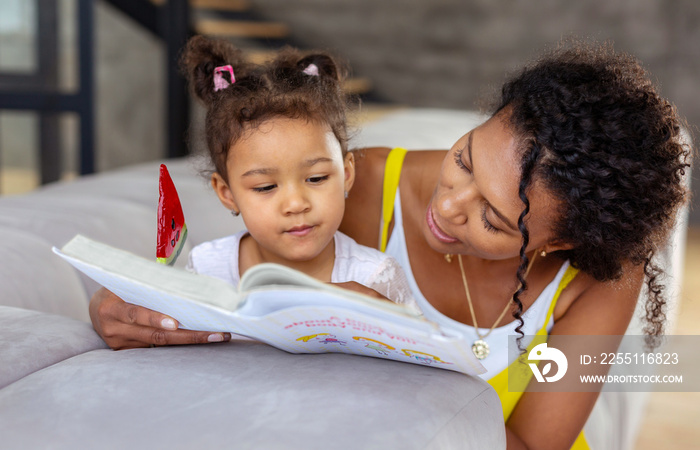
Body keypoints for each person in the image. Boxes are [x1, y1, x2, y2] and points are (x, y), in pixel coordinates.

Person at [89, 39, 691, 449]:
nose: (447, 206)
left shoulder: (601, 278)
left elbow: (535, 442)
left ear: (564, 244)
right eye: (465, 158)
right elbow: (242, 293)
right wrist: (131, 306)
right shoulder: (359, 187)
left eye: (495, 220)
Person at [89, 35, 417, 348]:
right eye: (265, 186)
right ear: (227, 192)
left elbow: (420, 352)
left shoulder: (374, 276)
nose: (295, 204)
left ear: (346, 174)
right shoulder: (208, 268)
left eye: (316, 178)